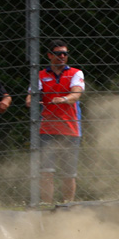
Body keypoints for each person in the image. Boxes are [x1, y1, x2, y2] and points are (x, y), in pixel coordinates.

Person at [25, 39, 85, 204]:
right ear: (50, 55)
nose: (62, 56)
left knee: (68, 174)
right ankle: (47, 207)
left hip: (71, 129)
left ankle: (68, 206)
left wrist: (64, 99)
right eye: (58, 53)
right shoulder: (41, 75)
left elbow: (76, 94)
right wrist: (31, 100)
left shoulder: (75, 73)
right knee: (46, 172)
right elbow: (32, 94)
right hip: (47, 129)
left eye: (65, 53)